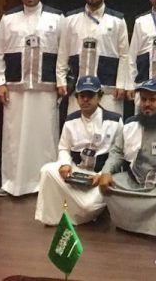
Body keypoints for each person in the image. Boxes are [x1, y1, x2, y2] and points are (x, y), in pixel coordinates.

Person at [0, 0, 63, 197]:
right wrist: (0, 83)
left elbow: (63, 53)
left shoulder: (56, 17)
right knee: (14, 138)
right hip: (16, 87)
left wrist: (62, 82)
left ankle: (45, 183)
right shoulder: (8, 18)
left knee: (45, 138)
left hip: (46, 87)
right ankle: (12, 183)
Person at [96, 79, 156, 236]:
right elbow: (116, 152)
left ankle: (154, 228)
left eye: (153, 100)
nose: (147, 104)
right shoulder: (129, 124)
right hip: (134, 182)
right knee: (110, 185)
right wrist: (106, 172)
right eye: (143, 99)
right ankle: (129, 224)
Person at [35, 76, 122, 225]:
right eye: (82, 96)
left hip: (100, 176)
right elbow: (64, 148)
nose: (85, 100)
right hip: (77, 173)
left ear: (99, 96)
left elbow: (118, 154)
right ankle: (53, 217)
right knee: (47, 170)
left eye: (90, 95)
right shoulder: (70, 120)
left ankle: (81, 208)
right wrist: (65, 164)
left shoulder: (115, 121)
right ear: (77, 98)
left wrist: (102, 175)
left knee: (88, 206)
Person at [57, 0, 129, 116]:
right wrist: (60, 80)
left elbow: (124, 55)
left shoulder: (117, 20)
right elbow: (63, 52)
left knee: (109, 126)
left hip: (108, 88)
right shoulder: (70, 19)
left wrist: (121, 84)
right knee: (77, 126)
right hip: (79, 88)